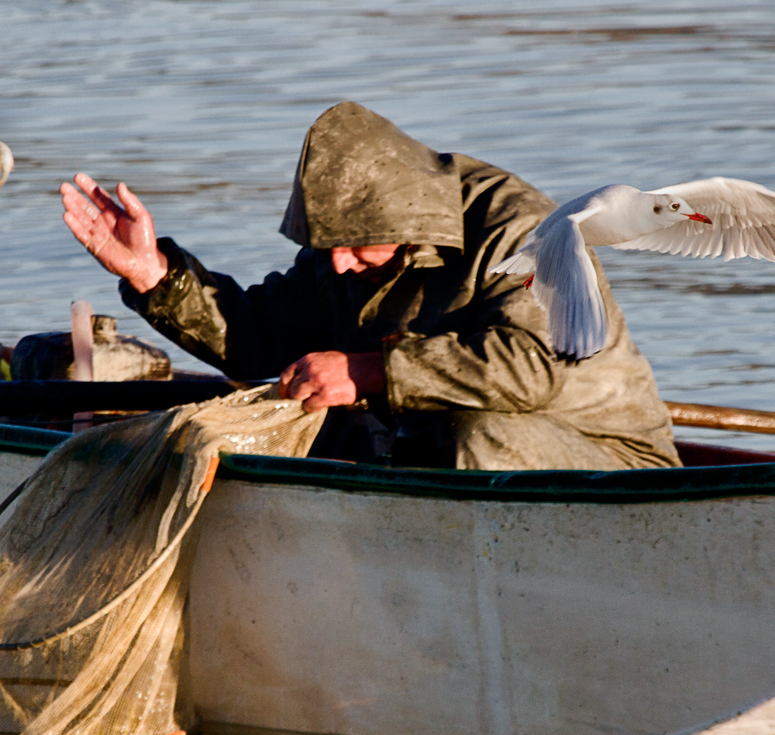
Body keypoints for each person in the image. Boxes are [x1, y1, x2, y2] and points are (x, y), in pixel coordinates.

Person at [59, 101, 679, 471]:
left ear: (408, 224)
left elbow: (536, 367)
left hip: (610, 460)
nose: (339, 265)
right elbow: (257, 339)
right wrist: (154, 276)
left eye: (356, 246)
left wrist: (370, 371)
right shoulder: (343, 256)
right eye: (325, 249)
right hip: (444, 464)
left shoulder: (522, 232)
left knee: (477, 435)